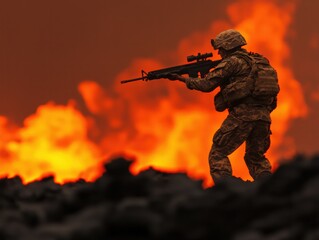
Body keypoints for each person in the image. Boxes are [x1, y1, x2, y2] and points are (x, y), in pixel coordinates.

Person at [168, 29, 279, 183]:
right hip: (264, 118)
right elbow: (272, 96)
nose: (219, 52)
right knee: (256, 158)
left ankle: (225, 188)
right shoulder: (260, 62)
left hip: (242, 115)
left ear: (228, 46)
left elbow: (207, 85)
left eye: (220, 48)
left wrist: (182, 79)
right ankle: (269, 188)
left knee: (218, 153)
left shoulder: (232, 62)